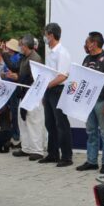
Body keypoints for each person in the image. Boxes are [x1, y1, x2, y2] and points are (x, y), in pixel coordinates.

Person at [76, 31, 104, 174]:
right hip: (88, 101)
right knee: (91, 132)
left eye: (87, 42)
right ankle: (91, 161)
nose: (85, 44)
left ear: (94, 43)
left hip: (102, 101)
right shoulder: (87, 58)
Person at [39, 22, 73, 167]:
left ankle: (66, 156)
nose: (44, 38)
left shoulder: (62, 52)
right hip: (49, 91)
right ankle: (53, 154)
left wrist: (47, 85)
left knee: (61, 124)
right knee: (50, 123)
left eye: (45, 35)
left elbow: (63, 76)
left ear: (51, 35)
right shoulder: (50, 52)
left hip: (58, 90)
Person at [12, 35, 46, 161]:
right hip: (25, 93)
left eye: (20, 45)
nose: (19, 47)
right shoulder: (25, 57)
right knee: (23, 120)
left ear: (25, 46)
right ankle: (27, 148)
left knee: (34, 122)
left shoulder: (35, 58)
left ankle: (38, 150)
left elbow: (32, 77)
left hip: (33, 94)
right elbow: (18, 71)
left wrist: (18, 79)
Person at [1, 38, 22, 148]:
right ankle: (12, 134)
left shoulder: (16, 58)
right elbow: (6, 72)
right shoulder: (11, 57)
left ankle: (16, 135)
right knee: (10, 111)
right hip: (8, 88)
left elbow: (13, 71)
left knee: (14, 112)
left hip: (14, 88)